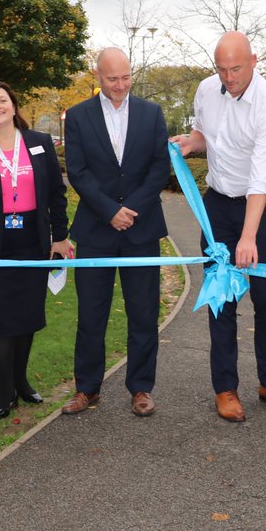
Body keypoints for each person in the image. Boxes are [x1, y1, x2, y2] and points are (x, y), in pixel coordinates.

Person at [172, 31, 266, 422]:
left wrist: (248, 237)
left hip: (261, 207)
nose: (228, 77)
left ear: (254, 61)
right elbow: (208, 137)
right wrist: (191, 144)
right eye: (222, 69)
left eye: (236, 69)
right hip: (218, 206)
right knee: (220, 298)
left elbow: (261, 177)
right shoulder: (207, 90)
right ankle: (225, 388)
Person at [61, 48, 171, 417]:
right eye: (112, 79)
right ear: (98, 76)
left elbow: (159, 167)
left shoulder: (151, 113)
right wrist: (110, 211)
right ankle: (86, 389)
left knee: (143, 313)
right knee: (92, 314)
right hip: (96, 229)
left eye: (125, 78)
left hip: (141, 230)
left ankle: (141, 387)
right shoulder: (76, 116)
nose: (120, 85)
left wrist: (130, 211)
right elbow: (78, 171)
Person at [0, 78, 71, 420]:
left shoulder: (39, 142)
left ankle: (21, 382)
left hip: (33, 243)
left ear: (14, 105)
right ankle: (5, 392)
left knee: (27, 316)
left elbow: (55, 194)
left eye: (2, 99)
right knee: (0, 318)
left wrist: (60, 236)